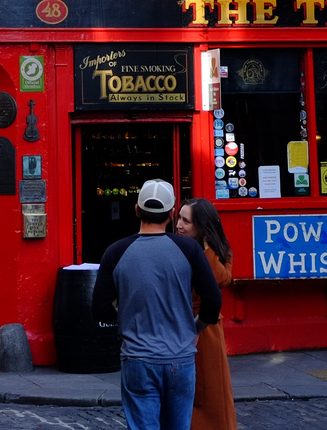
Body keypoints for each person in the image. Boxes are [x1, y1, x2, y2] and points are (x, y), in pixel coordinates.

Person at [92, 179, 222, 430]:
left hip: (137, 358)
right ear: (172, 213)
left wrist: (124, 324)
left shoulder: (115, 252)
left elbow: (99, 309)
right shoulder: (188, 250)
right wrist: (195, 329)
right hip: (180, 357)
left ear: (137, 210)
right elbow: (213, 300)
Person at [176, 199, 236, 430]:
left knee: (211, 387)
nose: (179, 225)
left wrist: (207, 249)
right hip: (179, 321)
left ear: (202, 227)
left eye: (186, 221)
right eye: (179, 217)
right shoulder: (176, 247)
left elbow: (221, 279)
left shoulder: (219, 252)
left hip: (207, 327)